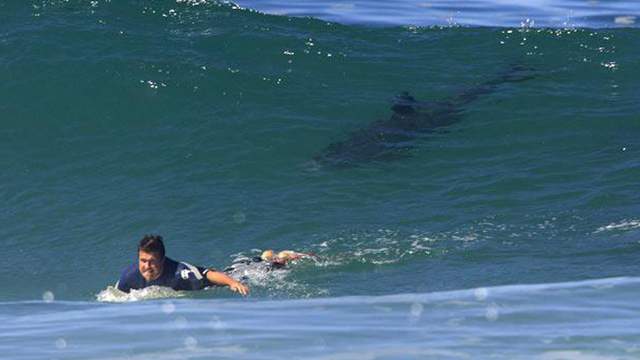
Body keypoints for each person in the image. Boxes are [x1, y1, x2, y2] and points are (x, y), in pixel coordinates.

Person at [116, 235, 249, 296]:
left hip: (209, 285)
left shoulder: (181, 273)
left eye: (152, 261)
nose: (147, 266)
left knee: (245, 274)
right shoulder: (129, 276)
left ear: (162, 260)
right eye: (143, 260)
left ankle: (263, 261)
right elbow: (116, 296)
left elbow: (208, 274)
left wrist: (232, 283)